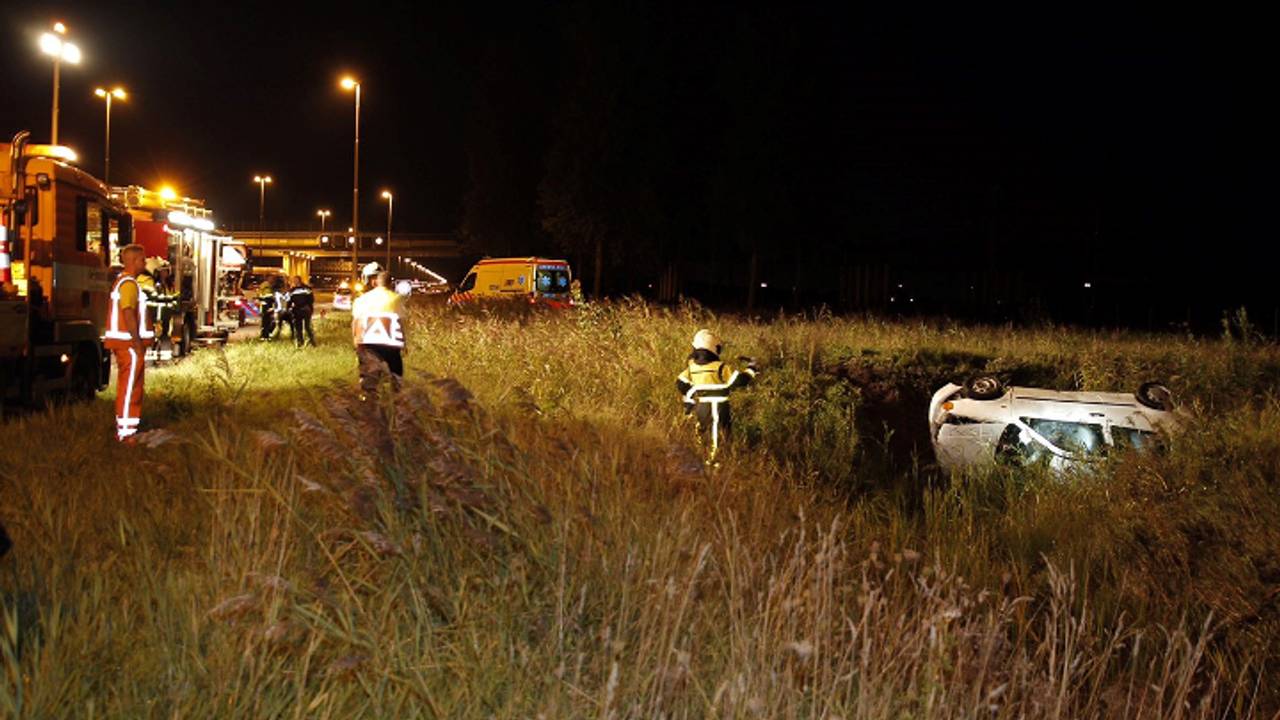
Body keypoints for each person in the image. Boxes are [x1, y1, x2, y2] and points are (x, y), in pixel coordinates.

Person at [675, 329, 758, 461]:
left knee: (703, 435)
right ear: (715, 348)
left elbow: (680, 383)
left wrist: (690, 397)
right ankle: (716, 467)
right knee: (720, 438)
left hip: (701, 406)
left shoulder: (692, 368)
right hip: (719, 407)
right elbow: (741, 381)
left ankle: (703, 464)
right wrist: (752, 367)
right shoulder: (721, 367)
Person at [103, 244, 152, 442]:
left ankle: (128, 428)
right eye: (142, 259)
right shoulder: (129, 284)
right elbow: (128, 312)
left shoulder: (123, 282)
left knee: (131, 386)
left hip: (125, 344)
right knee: (130, 387)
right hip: (129, 345)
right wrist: (137, 342)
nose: (145, 262)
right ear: (132, 261)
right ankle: (125, 433)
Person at [351, 270, 406, 401]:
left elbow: (356, 321)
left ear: (375, 282)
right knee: (396, 372)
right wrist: (404, 341)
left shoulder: (362, 299)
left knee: (369, 374)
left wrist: (356, 339)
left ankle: (368, 400)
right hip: (390, 342)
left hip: (368, 341)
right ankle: (396, 399)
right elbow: (400, 321)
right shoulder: (396, 298)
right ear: (391, 283)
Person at [287, 275, 316, 347]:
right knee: (298, 327)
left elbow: (311, 299)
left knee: (307, 327)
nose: (294, 282)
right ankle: (300, 342)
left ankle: (312, 342)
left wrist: (310, 308)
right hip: (296, 310)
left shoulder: (306, 288)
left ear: (299, 280)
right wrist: (289, 308)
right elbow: (289, 301)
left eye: (295, 280)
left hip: (305, 309)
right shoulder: (292, 290)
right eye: (293, 280)